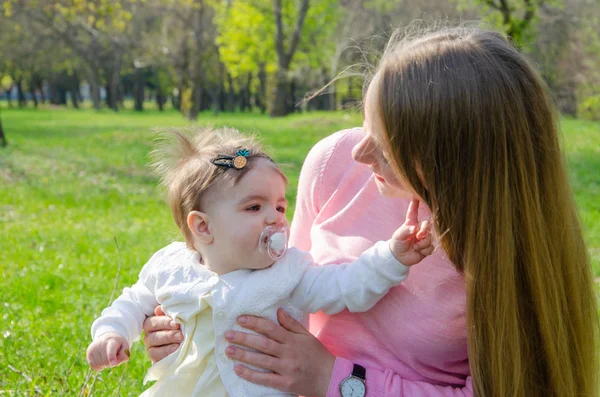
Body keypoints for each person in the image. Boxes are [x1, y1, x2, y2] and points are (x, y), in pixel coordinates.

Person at [143, 26, 599, 397]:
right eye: (365, 122)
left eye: (384, 143)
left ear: (452, 160)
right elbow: (271, 287)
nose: (359, 153)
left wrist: (338, 381)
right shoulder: (334, 163)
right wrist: (191, 331)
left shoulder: (510, 252)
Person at [85, 127, 434, 396]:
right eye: (254, 207)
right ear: (203, 226)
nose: (275, 218)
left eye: (280, 207)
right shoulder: (170, 267)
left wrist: (390, 257)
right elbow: (132, 301)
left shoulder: (290, 273)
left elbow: (346, 286)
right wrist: (111, 332)